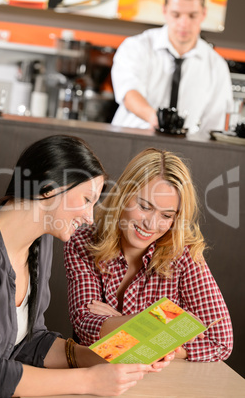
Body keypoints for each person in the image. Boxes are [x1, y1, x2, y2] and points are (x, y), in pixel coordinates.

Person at [0, 136, 172, 398]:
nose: (90, 217)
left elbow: (28, 343)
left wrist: (105, 357)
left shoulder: (40, 243)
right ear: (48, 187)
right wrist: (89, 381)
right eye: (86, 200)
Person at [64, 147, 233, 362]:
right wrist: (165, 325)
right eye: (144, 206)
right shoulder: (83, 241)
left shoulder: (183, 253)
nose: (151, 224)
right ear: (124, 196)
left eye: (166, 215)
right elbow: (86, 328)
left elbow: (220, 341)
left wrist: (123, 323)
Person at [111, 0, 233, 135]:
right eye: (176, 15)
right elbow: (129, 93)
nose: (184, 23)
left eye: (192, 16)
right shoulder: (136, 46)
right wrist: (157, 119)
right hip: (131, 138)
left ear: (204, 14)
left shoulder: (217, 66)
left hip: (183, 151)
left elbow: (215, 123)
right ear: (164, 11)